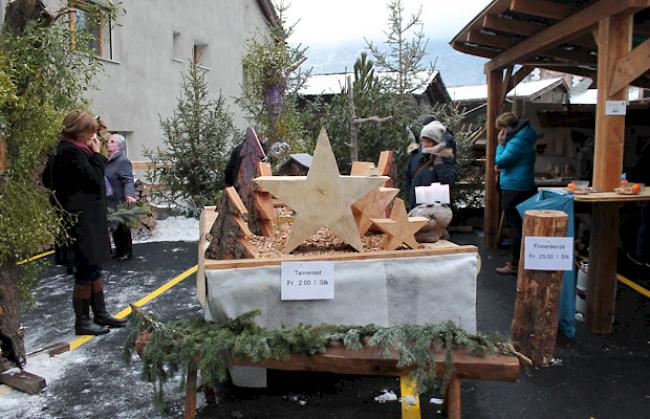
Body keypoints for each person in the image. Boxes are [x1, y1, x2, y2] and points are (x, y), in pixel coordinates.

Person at [43, 111, 126, 335]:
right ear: (80, 132)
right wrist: (98, 154)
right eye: (90, 131)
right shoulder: (69, 152)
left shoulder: (74, 150)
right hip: (81, 222)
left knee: (94, 268)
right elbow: (95, 178)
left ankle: (100, 313)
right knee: (85, 271)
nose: (93, 135)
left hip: (88, 220)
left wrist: (91, 153)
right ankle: (82, 321)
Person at [494, 112, 537, 275]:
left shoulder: (516, 141)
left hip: (513, 187)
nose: (501, 133)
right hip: (525, 185)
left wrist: (500, 144)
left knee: (515, 227)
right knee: (524, 226)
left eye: (502, 129)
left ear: (508, 128)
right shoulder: (526, 136)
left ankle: (514, 263)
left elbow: (501, 161)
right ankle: (525, 260)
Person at [403, 120, 456, 210]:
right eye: (424, 141)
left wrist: (438, 164)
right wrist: (410, 196)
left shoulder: (444, 157)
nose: (425, 144)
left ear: (435, 142)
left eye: (429, 141)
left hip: (436, 209)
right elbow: (407, 178)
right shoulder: (415, 156)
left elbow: (448, 182)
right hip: (416, 207)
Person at [106, 134, 136, 261]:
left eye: (112, 141)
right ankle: (118, 250)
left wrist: (129, 194)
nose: (108, 143)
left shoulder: (122, 160)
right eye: (108, 141)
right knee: (114, 226)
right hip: (109, 199)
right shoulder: (108, 160)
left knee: (122, 226)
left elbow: (128, 179)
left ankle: (126, 251)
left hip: (119, 198)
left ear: (119, 146)